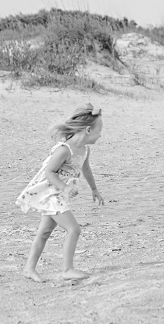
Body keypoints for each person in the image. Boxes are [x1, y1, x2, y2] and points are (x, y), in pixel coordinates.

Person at [16, 104, 105, 281]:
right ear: (88, 130)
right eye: (99, 130)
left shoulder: (85, 150)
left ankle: (29, 269)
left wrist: (94, 189)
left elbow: (86, 169)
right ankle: (67, 269)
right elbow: (49, 172)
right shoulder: (64, 149)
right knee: (74, 229)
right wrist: (64, 188)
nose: (101, 134)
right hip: (51, 194)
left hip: (58, 194)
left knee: (44, 232)